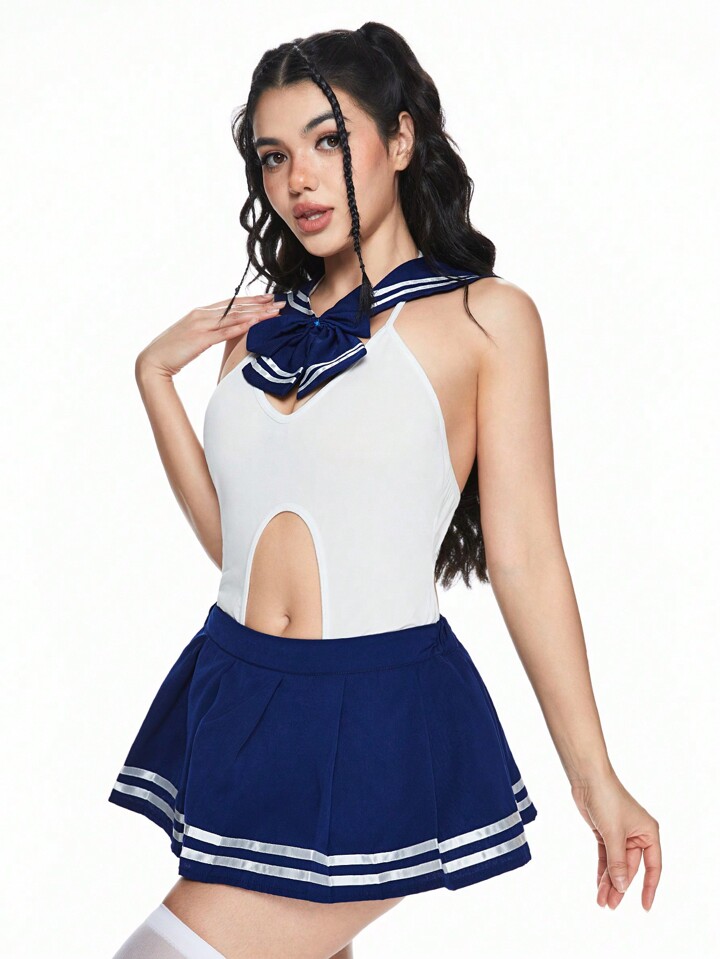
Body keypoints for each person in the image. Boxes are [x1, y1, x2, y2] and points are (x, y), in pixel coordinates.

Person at [108, 22, 662, 959]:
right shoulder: (255, 332)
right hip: (236, 697)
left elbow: (526, 558)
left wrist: (594, 777)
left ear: (400, 140)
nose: (299, 180)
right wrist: (154, 378)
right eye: (274, 156)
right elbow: (237, 547)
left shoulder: (485, 319)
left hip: (372, 715)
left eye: (328, 141)